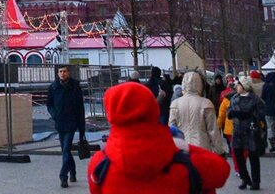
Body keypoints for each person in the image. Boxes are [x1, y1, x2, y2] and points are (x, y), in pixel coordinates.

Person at [88, 82, 229, 194]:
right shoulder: (184, 161)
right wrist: (184, 146)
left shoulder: (99, 165)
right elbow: (221, 171)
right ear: (152, 109)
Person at [170, 71, 227, 155]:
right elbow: (213, 130)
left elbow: (171, 129)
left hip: (181, 148)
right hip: (202, 147)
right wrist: (219, 151)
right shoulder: (206, 103)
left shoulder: (175, 104)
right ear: (200, 84)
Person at [48, 65, 86, 188]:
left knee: (65, 149)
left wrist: (81, 128)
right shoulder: (53, 87)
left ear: (68, 73)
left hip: (71, 122)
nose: (62, 73)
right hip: (60, 122)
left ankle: (63, 176)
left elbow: (80, 107)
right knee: (66, 150)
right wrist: (54, 115)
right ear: (58, 73)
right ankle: (73, 172)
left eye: (64, 71)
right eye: (60, 71)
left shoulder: (75, 86)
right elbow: (49, 104)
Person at [227, 76, 265, 190]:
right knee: (238, 156)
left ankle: (256, 181)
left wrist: (245, 115)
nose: (236, 87)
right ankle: (245, 178)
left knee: (253, 157)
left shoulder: (255, 99)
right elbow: (230, 111)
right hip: (237, 131)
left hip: (251, 130)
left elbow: (260, 114)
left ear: (244, 86)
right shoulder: (234, 98)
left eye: (238, 85)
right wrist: (232, 113)